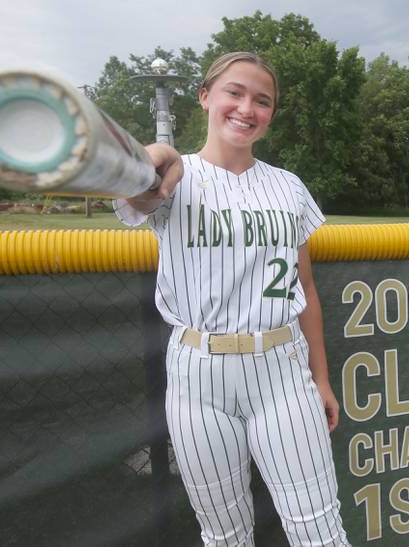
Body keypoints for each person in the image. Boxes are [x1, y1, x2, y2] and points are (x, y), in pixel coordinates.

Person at [113, 51, 350, 546]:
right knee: (225, 534)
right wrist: (156, 156)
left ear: (270, 115)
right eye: (234, 93)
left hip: (282, 371)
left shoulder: (289, 187)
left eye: (262, 101)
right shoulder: (176, 178)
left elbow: (305, 287)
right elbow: (141, 191)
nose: (247, 108)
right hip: (198, 374)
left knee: (319, 529)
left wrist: (321, 378)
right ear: (205, 97)